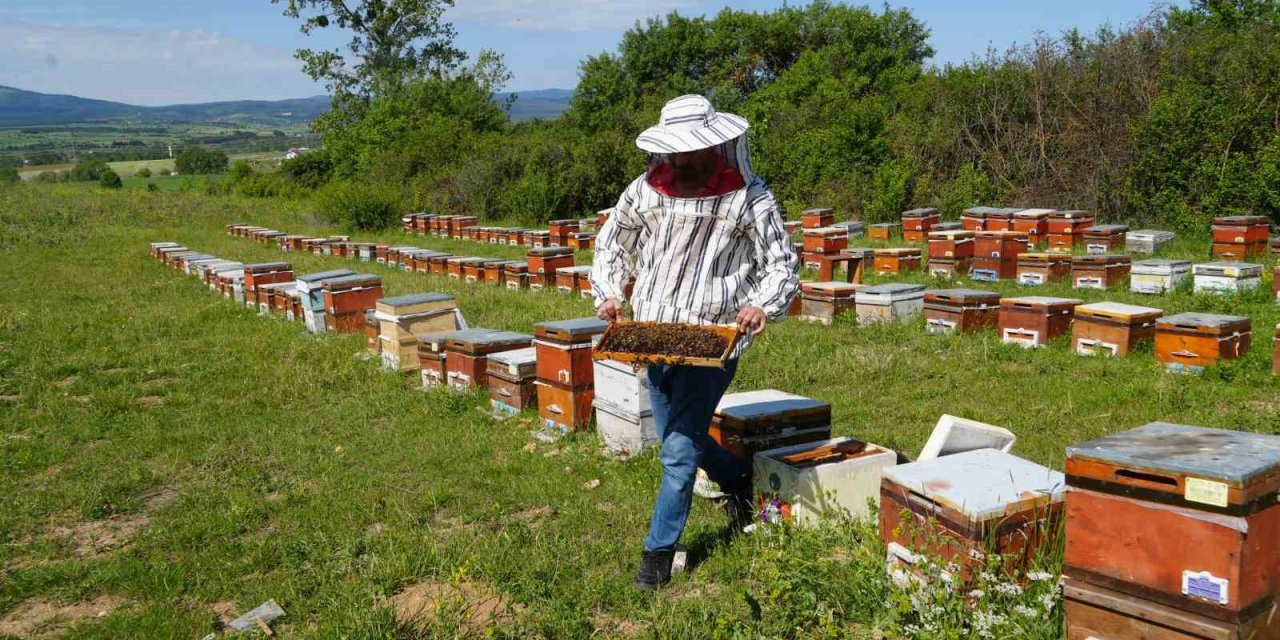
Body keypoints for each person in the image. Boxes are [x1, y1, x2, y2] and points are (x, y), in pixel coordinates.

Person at [590, 94, 800, 590]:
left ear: (714, 145)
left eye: (691, 151)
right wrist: (609, 291)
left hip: (715, 336)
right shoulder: (645, 189)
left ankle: (656, 557)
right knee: (675, 436)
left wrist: (761, 305)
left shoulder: (750, 196)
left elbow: (781, 262)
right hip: (654, 335)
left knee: (678, 452)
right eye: (676, 152)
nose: (682, 162)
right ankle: (737, 479)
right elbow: (611, 242)